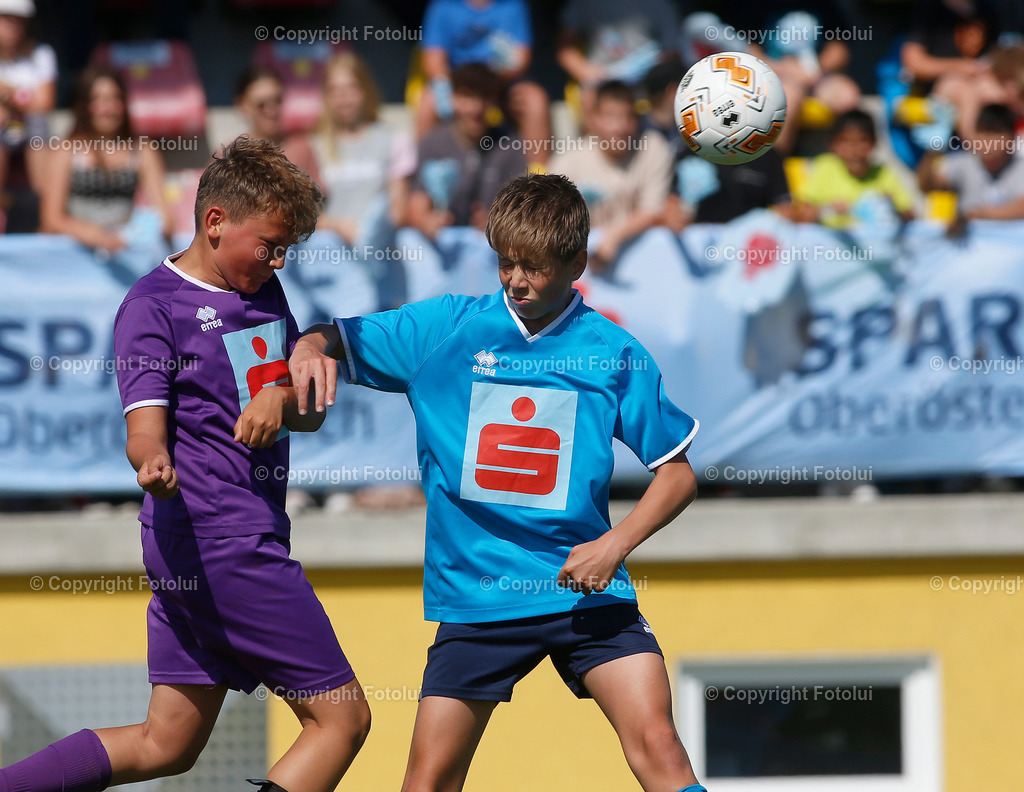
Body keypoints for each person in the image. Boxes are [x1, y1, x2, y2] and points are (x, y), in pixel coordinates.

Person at [288, 173, 706, 792]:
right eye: (506, 263)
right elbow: (335, 335)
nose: (515, 280)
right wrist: (309, 346)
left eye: (534, 267)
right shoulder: (445, 329)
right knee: (428, 780)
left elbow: (677, 475)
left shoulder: (614, 352)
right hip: (477, 597)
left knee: (660, 747)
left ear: (578, 263)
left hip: (584, 591)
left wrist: (615, 544)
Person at [0, 137, 371, 792]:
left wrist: (283, 397)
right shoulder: (152, 307)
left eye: (288, 249)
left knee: (165, 743)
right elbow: (143, 432)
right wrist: (153, 464)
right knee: (342, 721)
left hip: (206, 542)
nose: (279, 260)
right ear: (215, 221)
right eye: (271, 244)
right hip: (221, 541)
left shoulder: (263, 290)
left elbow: (304, 409)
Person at [642, 60, 792, 229]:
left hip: (751, 247)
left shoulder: (768, 155)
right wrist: (684, 206)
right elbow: (672, 218)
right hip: (702, 245)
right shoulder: (688, 152)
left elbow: (786, 214)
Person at [39, 65, 173, 256]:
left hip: (124, 249)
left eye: (114, 98)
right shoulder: (65, 151)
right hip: (74, 253)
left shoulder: (143, 151)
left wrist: (135, 234)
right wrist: (97, 237)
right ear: (84, 106)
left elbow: (165, 219)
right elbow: (51, 219)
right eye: (98, 100)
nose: (107, 108)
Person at [286, 52, 414, 250]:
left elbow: (398, 211)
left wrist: (372, 232)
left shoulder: (394, 140)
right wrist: (337, 226)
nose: (343, 96)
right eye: (335, 90)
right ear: (326, 96)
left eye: (351, 87)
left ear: (366, 90)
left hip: (381, 252)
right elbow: (301, 216)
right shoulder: (311, 146)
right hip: (331, 253)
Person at [548, 80, 672, 270]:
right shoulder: (567, 161)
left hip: (642, 263)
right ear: (593, 119)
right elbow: (550, 218)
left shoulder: (654, 148)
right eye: (610, 117)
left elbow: (653, 209)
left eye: (627, 117)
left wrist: (614, 236)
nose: (619, 128)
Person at [417, 0, 550, 165]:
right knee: (427, 101)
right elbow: (433, 60)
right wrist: (452, 89)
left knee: (534, 99)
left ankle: (540, 179)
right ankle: (423, 172)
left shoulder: (513, 5)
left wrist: (503, 68)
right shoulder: (443, 6)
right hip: (458, 85)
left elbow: (521, 58)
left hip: (500, 81)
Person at [406, 62, 525, 240]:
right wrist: (428, 222)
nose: (475, 107)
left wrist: (499, 224)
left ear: (494, 101)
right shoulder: (433, 143)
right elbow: (416, 205)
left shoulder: (510, 143)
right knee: (408, 238)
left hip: (492, 244)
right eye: (467, 96)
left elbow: (523, 209)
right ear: (452, 98)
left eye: (483, 97)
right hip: (443, 240)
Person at [725, 2, 862, 154]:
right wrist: (785, 69)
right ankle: (776, 163)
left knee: (848, 95)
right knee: (787, 99)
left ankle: (846, 163)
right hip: (773, 74)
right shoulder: (755, 7)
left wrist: (815, 68)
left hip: (816, 75)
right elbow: (747, 50)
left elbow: (839, 49)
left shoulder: (826, 6)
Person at [556, 0, 679, 123]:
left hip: (647, 85)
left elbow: (671, 52)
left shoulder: (661, 4)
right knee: (591, 97)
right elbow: (565, 49)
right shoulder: (582, 4)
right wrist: (593, 74)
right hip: (601, 84)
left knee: (672, 93)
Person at [794, 109, 915, 229]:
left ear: (874, 143)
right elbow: (802, 216)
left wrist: (891, 210)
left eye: (863, 141)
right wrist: (827, 210)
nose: (854, 150)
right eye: (845, 141)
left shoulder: (883, 172)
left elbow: (910, 217)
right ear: (832, 144)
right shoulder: (825, 167)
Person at [918, 103, 1024, 233]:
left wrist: (979, 216)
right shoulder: (964, 163)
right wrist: (932, 149)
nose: (988, 143)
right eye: (983, 133)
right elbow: (927, 186)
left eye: (996, 133)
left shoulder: (1020, 167)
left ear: (1012, 136)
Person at [0, 0, 56, 231]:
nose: (13, 26)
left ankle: (47, 215)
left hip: (31, 132)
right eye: (6, 19)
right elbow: (33, 99)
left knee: (36, 123)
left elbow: (44, 103)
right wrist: (20, 97)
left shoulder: (41, 54)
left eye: (19, 20)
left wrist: (7, 96)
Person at [234, 65, 286, 145]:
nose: (272, 112)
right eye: (261, 105)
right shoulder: (228, 154)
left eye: (277, 101)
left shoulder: (300, 150)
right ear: (242, 106)